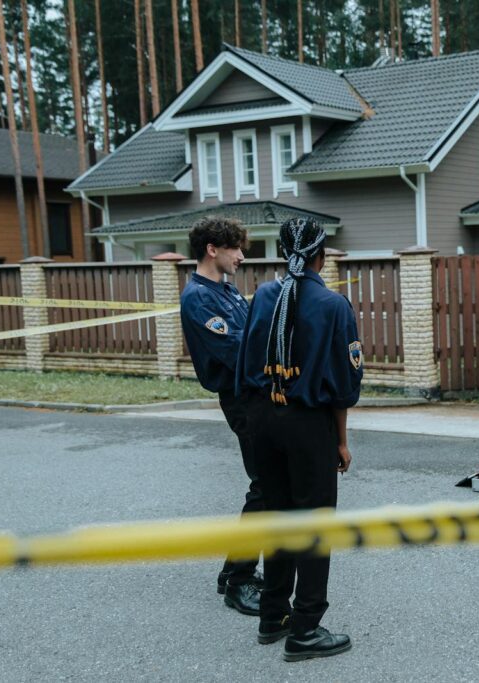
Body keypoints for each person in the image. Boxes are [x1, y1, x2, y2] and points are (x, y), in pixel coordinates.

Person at [236, 218, 362, 662]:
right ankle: (306, 628)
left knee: (278, 517)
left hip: (262, 418)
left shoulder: (264, 295)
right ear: (321, 256)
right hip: (308, 424)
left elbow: (245, 362)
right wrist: (341, 442)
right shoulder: (333, 305)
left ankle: (273, 615)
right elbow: (344, 383)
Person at [179, 216, 263, 616]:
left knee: (267, 485)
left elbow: (250, 334)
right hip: (241, 399)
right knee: (265, 486)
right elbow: (237, 350)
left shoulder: (225, 291)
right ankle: (240, 581)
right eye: (236, 249)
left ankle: (232, 572)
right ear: (213, 249)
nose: (241, 256)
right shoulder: (198, 297)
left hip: (253, 396)